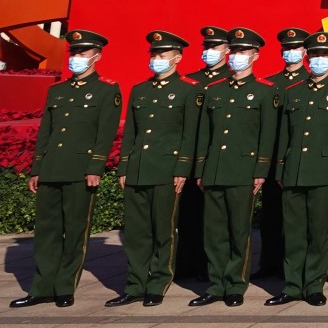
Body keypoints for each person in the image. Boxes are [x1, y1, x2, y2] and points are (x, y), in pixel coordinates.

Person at [11, 30, 121, 309]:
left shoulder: (107, 90)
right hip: (52, 168)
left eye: (83, 53)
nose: (76, 57)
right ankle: (42, 288)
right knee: (46, 231)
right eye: (74, 52)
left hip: (80, 170)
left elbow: (105, 133)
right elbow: (45, 132)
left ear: (97, 56)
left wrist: (95, 167)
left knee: (74, 231)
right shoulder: (57, 91)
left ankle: (64, 287)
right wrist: (37, 168)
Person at [107, 29, 200, 308]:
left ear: (177, 58)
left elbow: (189, 134)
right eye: (154, 54)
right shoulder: (140, 89)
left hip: (166, 169)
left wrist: (182, 169)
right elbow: (131, 133)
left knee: (163, 230)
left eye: (163, 54)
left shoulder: (189, 89)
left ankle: (158, 284)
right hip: (138, 168)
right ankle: (135, 284)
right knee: (137, 233)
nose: (157, 59)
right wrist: (124, 166)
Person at [267, 31, 328, 307]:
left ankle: (314, 285)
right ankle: (293, 285)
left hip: (323, 172)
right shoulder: (293, 92)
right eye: (314, 54)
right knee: (293, 232)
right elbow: (284, 134)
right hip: (293, 170)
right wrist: (280, 169)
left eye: (324, 55)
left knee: (318, 233)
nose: (318, 59)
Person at [190, 28, 278, 307]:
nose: (237, 55)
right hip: (214, 169)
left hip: (243, 170)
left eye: (243, 51)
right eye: (234, 51)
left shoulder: (265, 91)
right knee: (214, 232)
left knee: (238, 231)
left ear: (255, 55)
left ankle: (236, 285)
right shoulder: (214, 90)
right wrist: (200, 169)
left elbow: (267, 135)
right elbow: (204, 134)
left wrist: (260, 172)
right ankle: (216, 284)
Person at [174, 24, 231, 281]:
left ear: (227, 50)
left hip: (217, 157)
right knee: (188, 215)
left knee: (216, 219)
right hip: (189, 157)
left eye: (215, 47)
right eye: (206, 47)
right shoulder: (190, 81)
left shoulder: (231, 80)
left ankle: (211, 267)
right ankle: (186, 264)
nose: (209, 51)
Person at [256, 26, 310, 281]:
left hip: (299, 158)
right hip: (272, 159)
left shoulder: (310, 82)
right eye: (287, 48)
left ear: (305, 52)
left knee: (299, 220)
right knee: (271, 216)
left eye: (296, 48)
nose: (291, 52)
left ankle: (297, 267)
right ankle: (269, 263)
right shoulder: (270, 83)